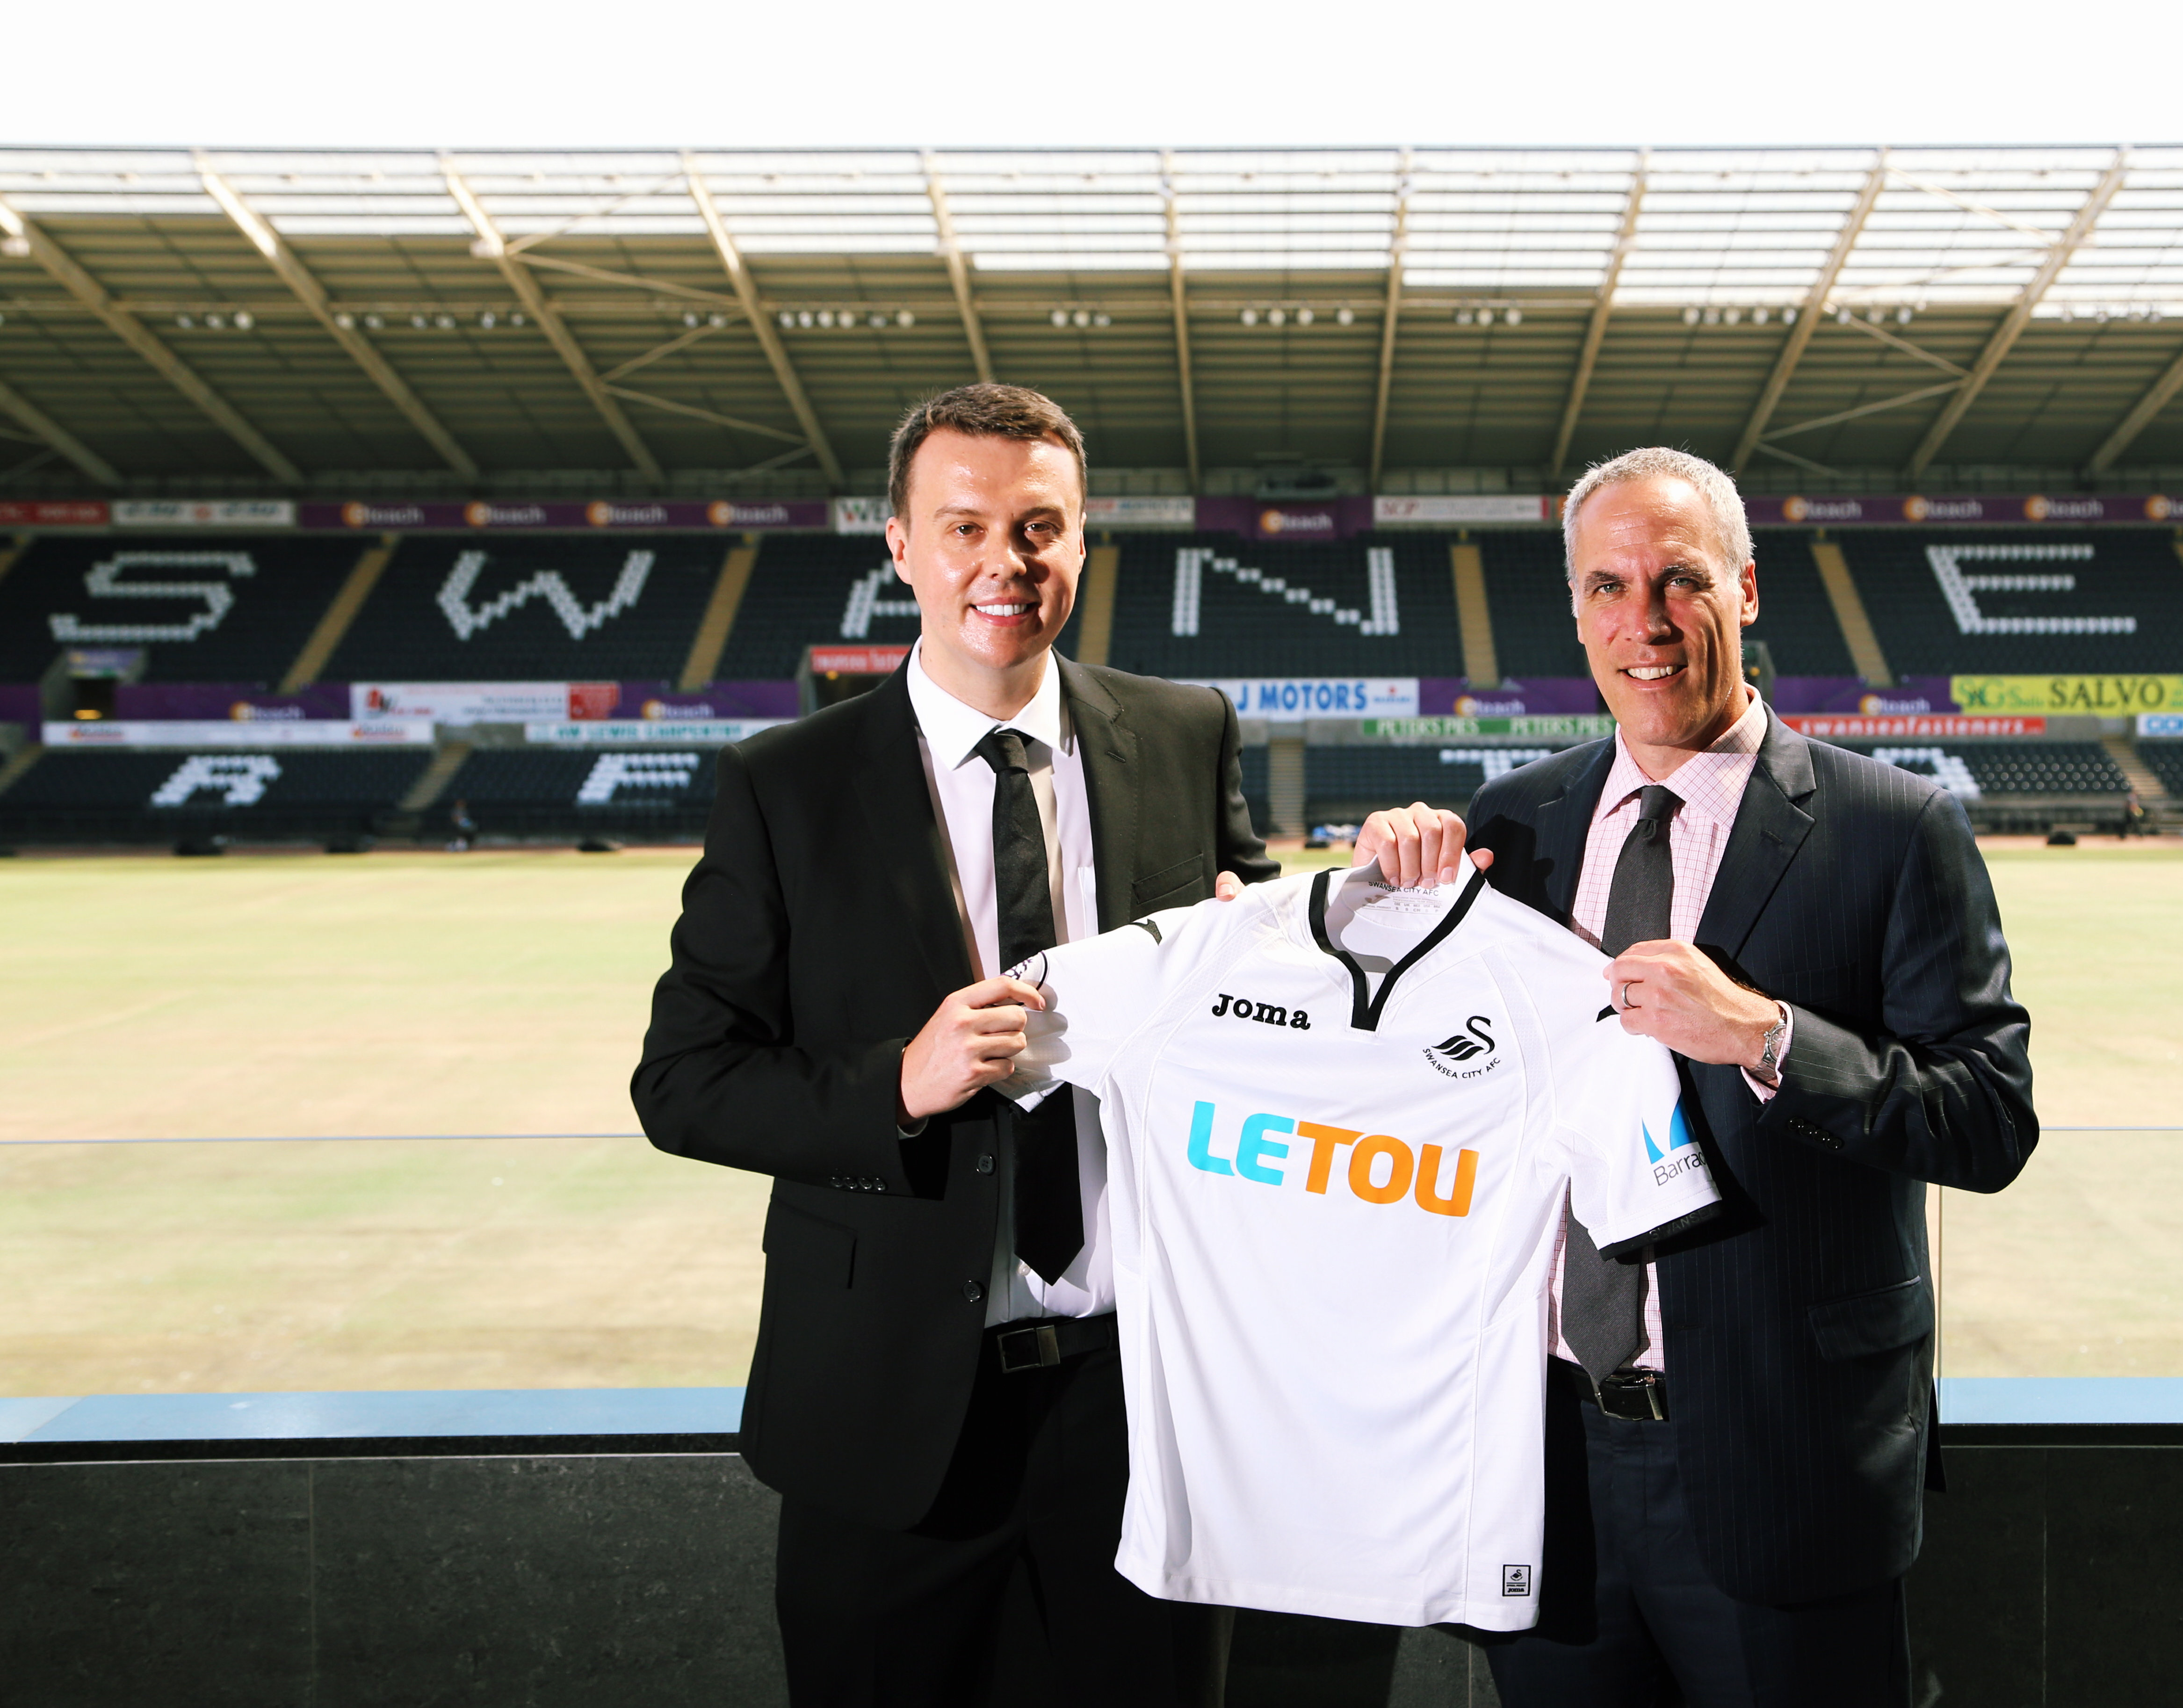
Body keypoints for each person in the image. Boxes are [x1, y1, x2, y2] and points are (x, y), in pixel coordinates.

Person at [1359, 447, 2035, 1705]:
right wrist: (1373, 911)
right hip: (1544, 1465)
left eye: (1678, 580)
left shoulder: (1892, 827)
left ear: (1745, 588)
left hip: (1787, 1462)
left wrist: (1773, 1036)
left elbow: (1990, 1119)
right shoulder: (1512, 825)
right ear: (1574, 608)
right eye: (1607, 586)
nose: (1644, 622)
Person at [632, 384, 1275, 1707]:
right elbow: (683, 1080)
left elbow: (1263, 1001)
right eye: (966, 525)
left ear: (1083, 539)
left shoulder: (1182, 731)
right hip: (887, 1423)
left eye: (1039, 527)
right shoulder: (786, 783)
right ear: (901, 545)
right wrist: (897, 1086)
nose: (1005, 563)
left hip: (1144, 1408)